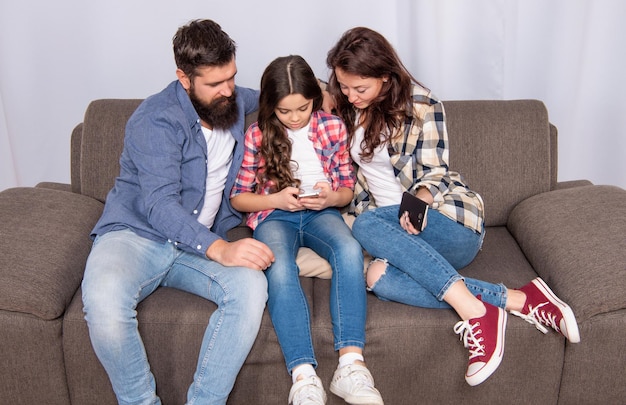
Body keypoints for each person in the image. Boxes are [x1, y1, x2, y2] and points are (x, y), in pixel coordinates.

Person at [325, 27, 581, 387]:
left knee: (365, 227)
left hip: (445, 222)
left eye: (360, 88)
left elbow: (434, 173)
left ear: (385, 77)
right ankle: (518, 300)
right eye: (343, 86)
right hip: (395, 237)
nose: (350, 96)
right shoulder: (345, 109)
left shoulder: (421, 105)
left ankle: (476, 312)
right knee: (375, 277)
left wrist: (418, 204)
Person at [81, 19, 275, 405]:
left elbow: (277, 94)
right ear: (184, 79)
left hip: (192, 249)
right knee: (102, 300)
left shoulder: (232, 100)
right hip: (138, 236)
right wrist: (220, 249)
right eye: (214, 84)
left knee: (251, 287)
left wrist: (321, 94)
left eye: (231, 78)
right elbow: (159, 206)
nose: (228, 92)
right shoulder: (155, 120)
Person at [230, 55, 383, 405]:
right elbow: (239, 197)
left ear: (315, 98)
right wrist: (278, 200)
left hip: (320, 212)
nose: (296, 118)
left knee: (348, 251)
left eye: (303, 108)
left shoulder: (332, 127)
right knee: (279, 264)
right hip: (275, 215)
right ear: (271, 107)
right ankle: (303, 376)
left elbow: (346, 188)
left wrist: (330, 197)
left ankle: (351, 364)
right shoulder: (257, 134)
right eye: (285, 111)